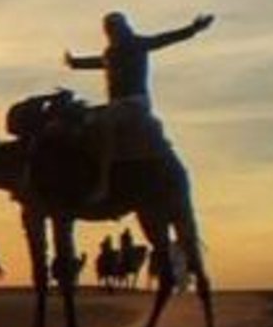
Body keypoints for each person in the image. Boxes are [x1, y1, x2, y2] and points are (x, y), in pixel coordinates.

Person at [64, 11, 214, 200]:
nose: (111, 31)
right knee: (81, 119)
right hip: (115, 104)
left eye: (113, 27)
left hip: (134, 102)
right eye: (108, 28)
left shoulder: (137, 44)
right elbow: (102, 63)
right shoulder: (111, 52)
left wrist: (192, 29)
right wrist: (76, 63)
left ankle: (103, 182)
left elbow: (164, 39)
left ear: (123, 27)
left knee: (105, 126)